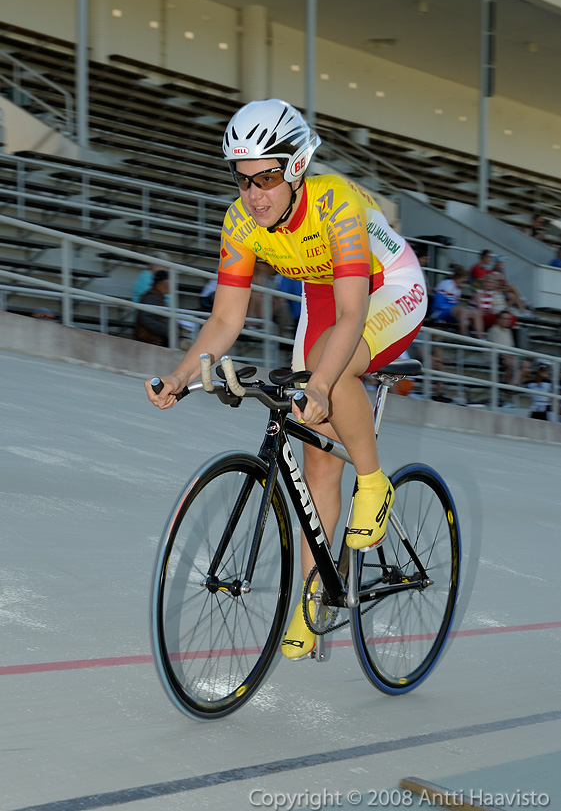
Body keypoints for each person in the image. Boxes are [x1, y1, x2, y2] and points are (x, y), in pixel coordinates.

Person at [145, 98, 428, 661]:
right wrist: (180, 376)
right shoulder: (240, 221)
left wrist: (322, 383)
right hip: (324, 295)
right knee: (316, 458)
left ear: (297, 168)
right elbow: (226, 318)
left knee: (329, 366)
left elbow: (352, 316)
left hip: (388, 286)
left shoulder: (337, 203)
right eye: (244, 179)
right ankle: (312, 594)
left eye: (267, 178)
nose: (255, 195)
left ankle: (373, 484)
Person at [430, 264, 485, 339]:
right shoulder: (446, 284)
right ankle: (464, 335)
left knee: (476, 312)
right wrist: (454, 308)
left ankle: (480, 337)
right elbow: (438, 303)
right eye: (464, 278)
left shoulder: (458, 290)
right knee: (462, 310)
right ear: (459, 277)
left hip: (451, 313)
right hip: (438, 312)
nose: (465, 281)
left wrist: (455, 308)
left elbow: (455, 307)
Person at [135, 269, 170, 347]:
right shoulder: (151, 297)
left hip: (158, 338)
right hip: (152, 339)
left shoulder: (158, 297)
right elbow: (146, 319)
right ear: (164, 283)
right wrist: (166, 331)